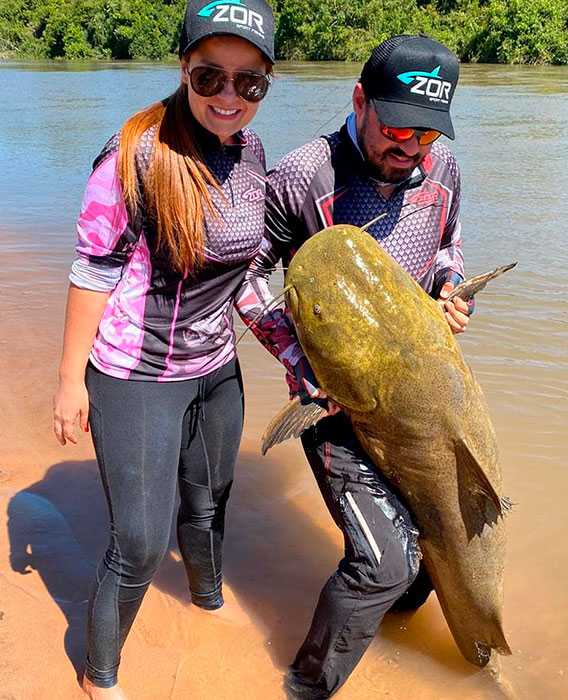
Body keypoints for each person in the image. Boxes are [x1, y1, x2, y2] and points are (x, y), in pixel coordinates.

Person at [52, 1, 275, 697]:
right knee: (142, 543)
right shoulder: (135, 154)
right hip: (136, 372)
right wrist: (68, 384)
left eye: (249, 83)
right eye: (211, 77)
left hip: (216, 367)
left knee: (210, 504)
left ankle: (206, 602)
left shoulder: (252, 153)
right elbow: (93, 267)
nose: (229, 97)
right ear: (183, 69)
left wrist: (299, 359)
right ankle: (100, 675)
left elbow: (248, 274)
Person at [241, 35, 473, 699]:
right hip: (334, 401)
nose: (410, 149)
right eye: (397, 128)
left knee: (435, 542)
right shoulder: (305, 174)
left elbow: (450, 247)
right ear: (359, 100)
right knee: (381, 563)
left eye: (425, 137)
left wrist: (452, 294)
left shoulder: (444, 167)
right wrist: (297, 358)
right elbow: (249, 277)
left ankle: (392, 614)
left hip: (417, 397)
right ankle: (307, 688)